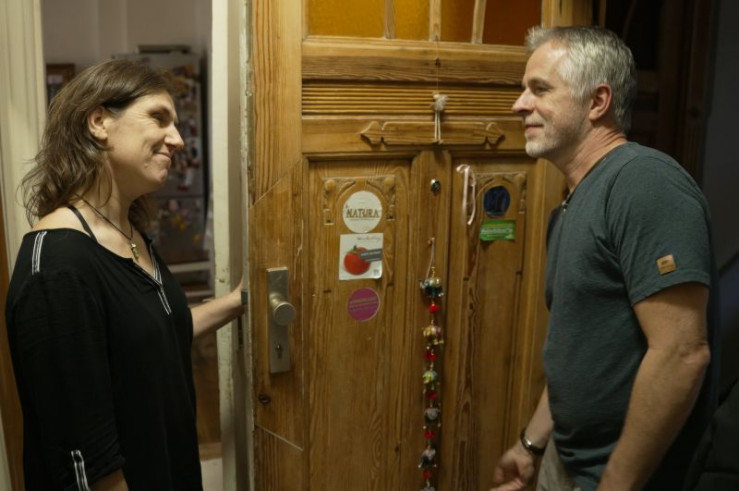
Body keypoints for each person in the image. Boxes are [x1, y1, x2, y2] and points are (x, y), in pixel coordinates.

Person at [490, 26, 719, 491]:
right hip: (567, 460)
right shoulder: (569, 207)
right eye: (523, 89)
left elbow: (682, 353)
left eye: (539, 89)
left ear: (597, 102)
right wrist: (531, 445)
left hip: (622, 475)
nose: (519, 104)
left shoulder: (643, 183)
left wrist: (615, 483)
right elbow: (580, 350)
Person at [4, 59, 244, 490]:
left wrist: (241, 300)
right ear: (99, 122)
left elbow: (157, 331)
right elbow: (86, 456)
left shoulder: (128, 234)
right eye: (159, 117)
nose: (178, 139)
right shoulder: (57, 266)